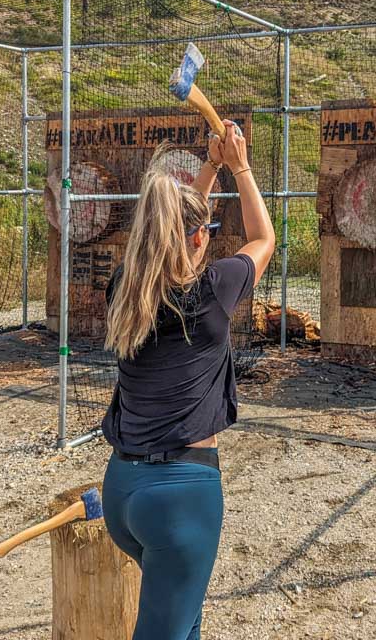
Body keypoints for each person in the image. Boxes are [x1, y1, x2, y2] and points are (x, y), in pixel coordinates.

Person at [100, 122, 275, 640]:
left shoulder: (125, 288)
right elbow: (263, 237)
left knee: (184, 618)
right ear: (200, 237)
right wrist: (239, 166)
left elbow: (169, 234)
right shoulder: (214, 289)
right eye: (206, 233)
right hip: (179, 498)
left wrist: (211, 168)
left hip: (123, 490)